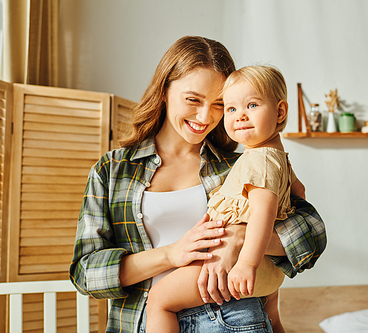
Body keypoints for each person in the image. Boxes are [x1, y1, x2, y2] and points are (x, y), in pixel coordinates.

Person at [69, 36, 326, 333]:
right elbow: (86, 273)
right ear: (164, 90)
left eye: (219, 105)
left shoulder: (240, 165)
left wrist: (238, 239)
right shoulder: (113, 170)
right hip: (141, 321)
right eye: (193, 100)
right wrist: (170, 254)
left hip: (232, 318)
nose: (205, 117)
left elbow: (313, 234)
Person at [146, 65, 303, 333]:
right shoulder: (278, 160)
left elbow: (264, 214)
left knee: (158, 299)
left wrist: (246, 262)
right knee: (272, 318)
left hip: (235, 270)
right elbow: (299, 196)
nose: (240, 116)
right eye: (231, 109)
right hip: (266, 275)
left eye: (252, 105)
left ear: (280, 111)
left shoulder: (257, 160)